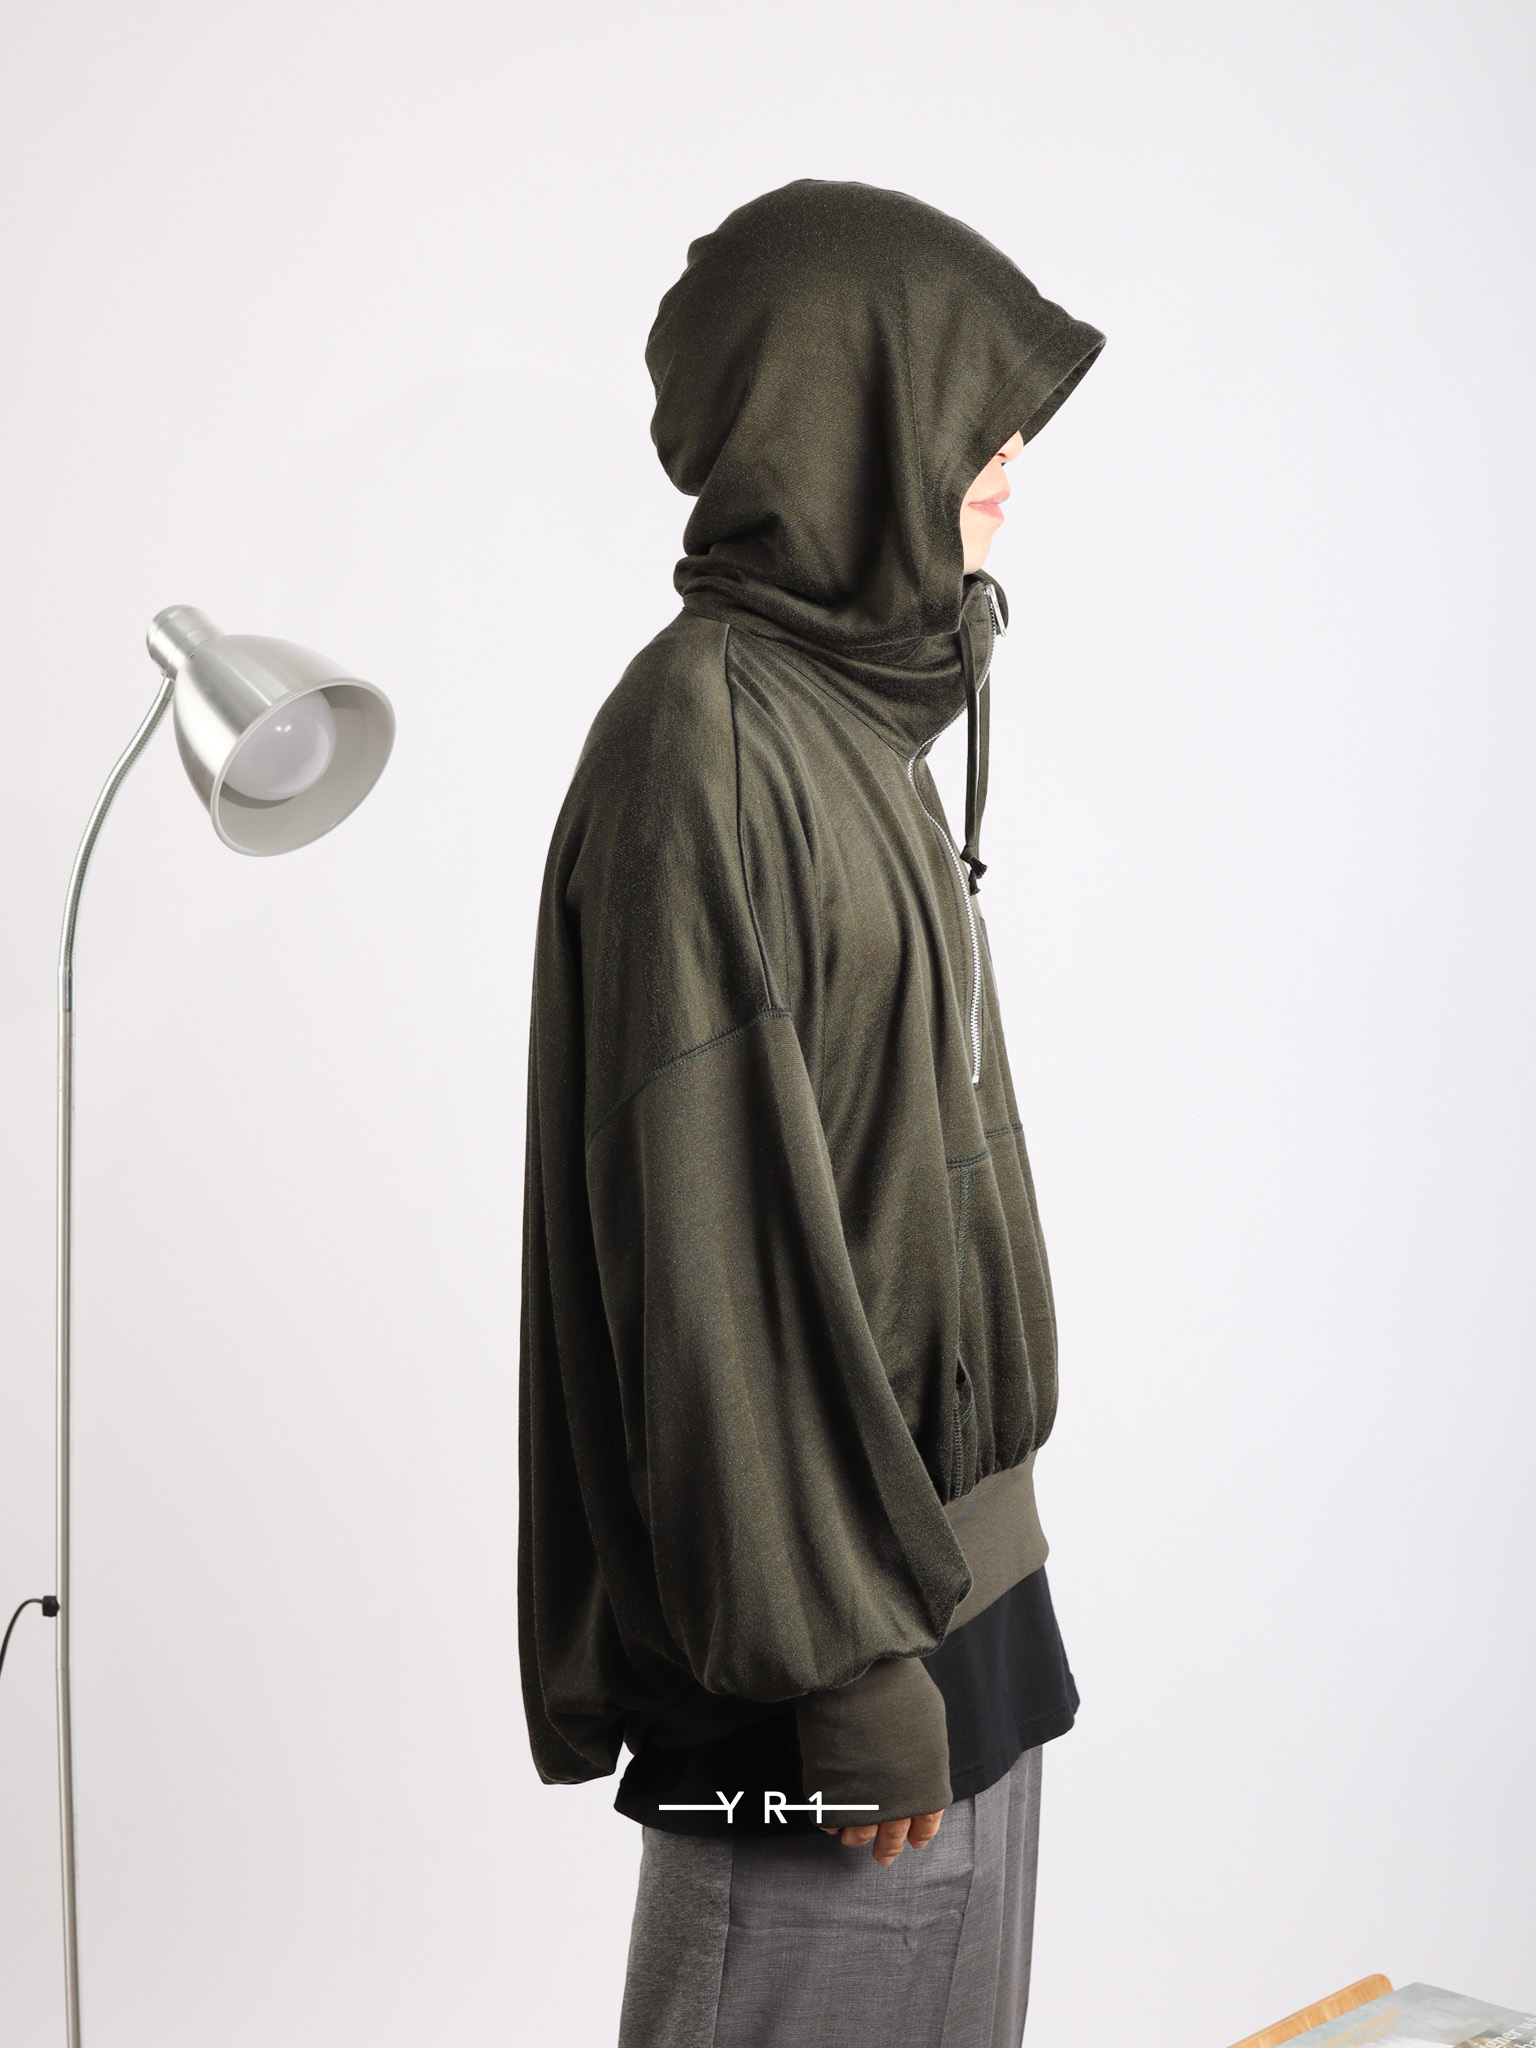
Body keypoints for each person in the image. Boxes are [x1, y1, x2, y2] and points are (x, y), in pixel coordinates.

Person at [518, 179, 1103, 2048]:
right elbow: (713, 1271)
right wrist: (845, 1670)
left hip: (968, 1623)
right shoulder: (700, 748)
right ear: (844, 413)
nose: (1007, 457)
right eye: (962, 406)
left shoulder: (857, 727)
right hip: (825, 1684)